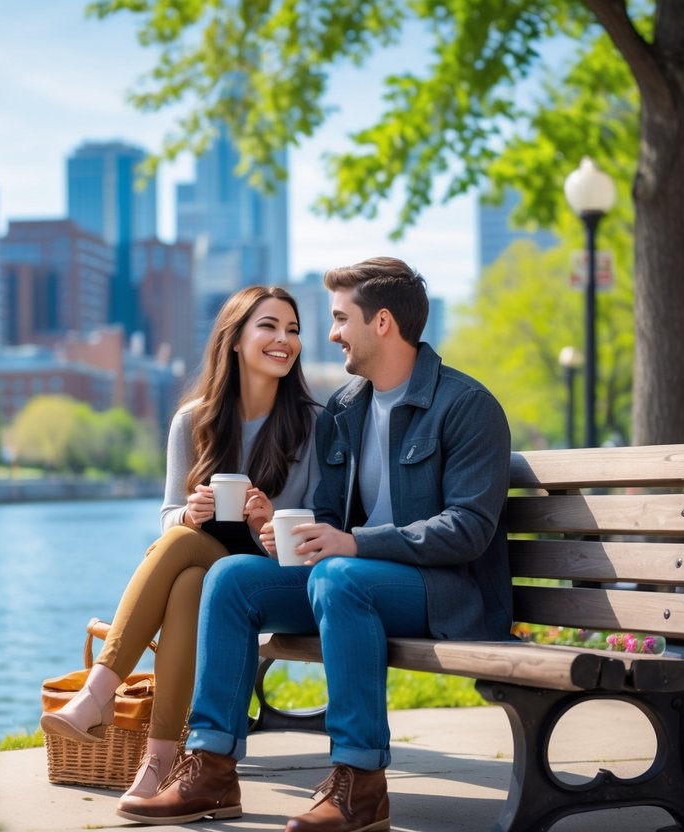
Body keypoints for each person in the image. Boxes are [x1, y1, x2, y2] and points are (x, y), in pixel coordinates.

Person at [116, 257, 512, 831]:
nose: (329, 335)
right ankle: (211, 769)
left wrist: (353, 544)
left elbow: (469, 529)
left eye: (339, 318)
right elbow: (326, 515)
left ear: (380, 323)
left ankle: (361, 782)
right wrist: (281, 532)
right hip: (350, 580)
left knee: (337, 576)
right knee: (231, 579)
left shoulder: (465, 406)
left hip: (444, 592)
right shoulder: (346, 410)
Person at [41, 286, 321, 799]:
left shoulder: (312, 425)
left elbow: (315, 528)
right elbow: (170, 515)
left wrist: (270, 519)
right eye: (269, 326)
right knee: (189, 577)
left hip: (276, 577)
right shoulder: (193, 421)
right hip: (212, 569)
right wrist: (188, 513)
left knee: (179, 555)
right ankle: (159, 762)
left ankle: (98, 693)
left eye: (293, 330)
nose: (284, 340)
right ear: (234, 339)